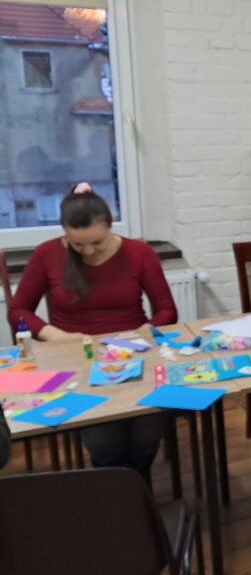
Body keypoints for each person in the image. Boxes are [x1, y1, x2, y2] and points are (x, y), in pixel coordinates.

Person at [7, 183, 177, 481]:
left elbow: (167, 310)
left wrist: (145, 331)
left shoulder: (139, 253)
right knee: (104, 441)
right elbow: (18, 310)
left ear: (110, 226)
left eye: (97, 242)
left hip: (134, 356)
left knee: (147, 432)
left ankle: (132, 488)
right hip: (76, 360)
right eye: (77, 245)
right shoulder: (47, 254)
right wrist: (55, 335)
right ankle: (120, 489)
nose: (88, 251)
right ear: (65, 233)